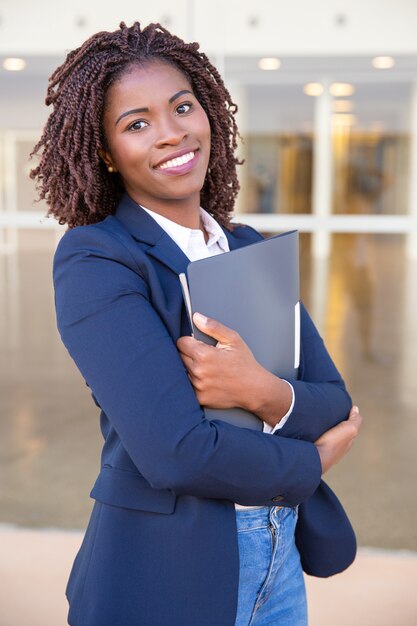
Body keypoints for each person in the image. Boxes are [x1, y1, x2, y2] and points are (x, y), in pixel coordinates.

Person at [31, 21, 362, 626]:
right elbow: (176, 453)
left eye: (183, 107)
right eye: (136, 123)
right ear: (105, 152)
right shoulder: (98, 258)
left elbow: (336, 402)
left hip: (279, 560)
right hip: (167, 573)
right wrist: (310, 461)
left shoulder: (243, 245)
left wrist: (257, 391)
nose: (171, 132)